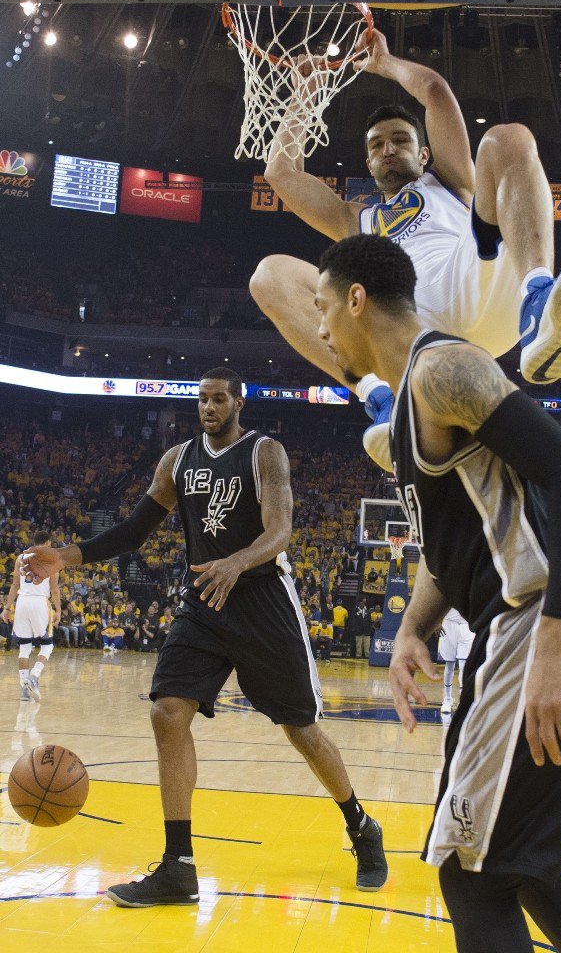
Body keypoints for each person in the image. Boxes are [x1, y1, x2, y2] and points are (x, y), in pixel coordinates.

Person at [312, 233, 561, 953]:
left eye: (325, 309)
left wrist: (555, 644)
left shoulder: (444, 368)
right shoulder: (409, 410)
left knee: (468, 871)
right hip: (541, 619)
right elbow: (455, 550)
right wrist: (414, 627)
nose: (323, 330)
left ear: (357, 299)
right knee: (522, 864)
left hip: (538, 623)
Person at [23, 366, 388, 907]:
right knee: (167, 711)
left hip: (263, 599)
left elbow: (281, 530)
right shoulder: (177, 460)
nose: (209, 408)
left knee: (301, 730)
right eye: (203, 401)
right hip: (204, 601)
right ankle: (179, 866)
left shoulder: (265, 452)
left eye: (219, 399)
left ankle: (361, 825)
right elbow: (134, 531)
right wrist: (68, 557)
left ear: (239, 403)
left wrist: (236, 564)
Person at [250, 28, 561, 473]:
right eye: (377, 145)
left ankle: (539, 308)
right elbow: (281, 174)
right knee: (268, 275)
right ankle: (384, 401)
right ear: (367, 164)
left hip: (477, 283)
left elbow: (436, 92)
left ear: (423, 155)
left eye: (400, 140)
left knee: (507, 138)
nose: (388, 149)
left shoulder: (449, 180)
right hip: (415, 329)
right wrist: (305, 93)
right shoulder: (353, 221)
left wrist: (384, 64)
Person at [2, 530, 60, 701]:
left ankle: (24, 690)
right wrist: (58, 610)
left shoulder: (21, 557)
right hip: (40, 603)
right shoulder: (52, 558)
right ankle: (34, 676)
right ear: (48, 543)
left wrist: (7, 608)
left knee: (25, 647)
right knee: (47, 645)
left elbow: (14, 585)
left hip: (22, 601)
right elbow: (54, 589)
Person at [437, 608, 475, 716]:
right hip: (448, 624)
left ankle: (462, 700)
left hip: (467, 625)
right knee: (449, 664)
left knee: (464, 665)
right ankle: (447, 698)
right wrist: (436, 622)